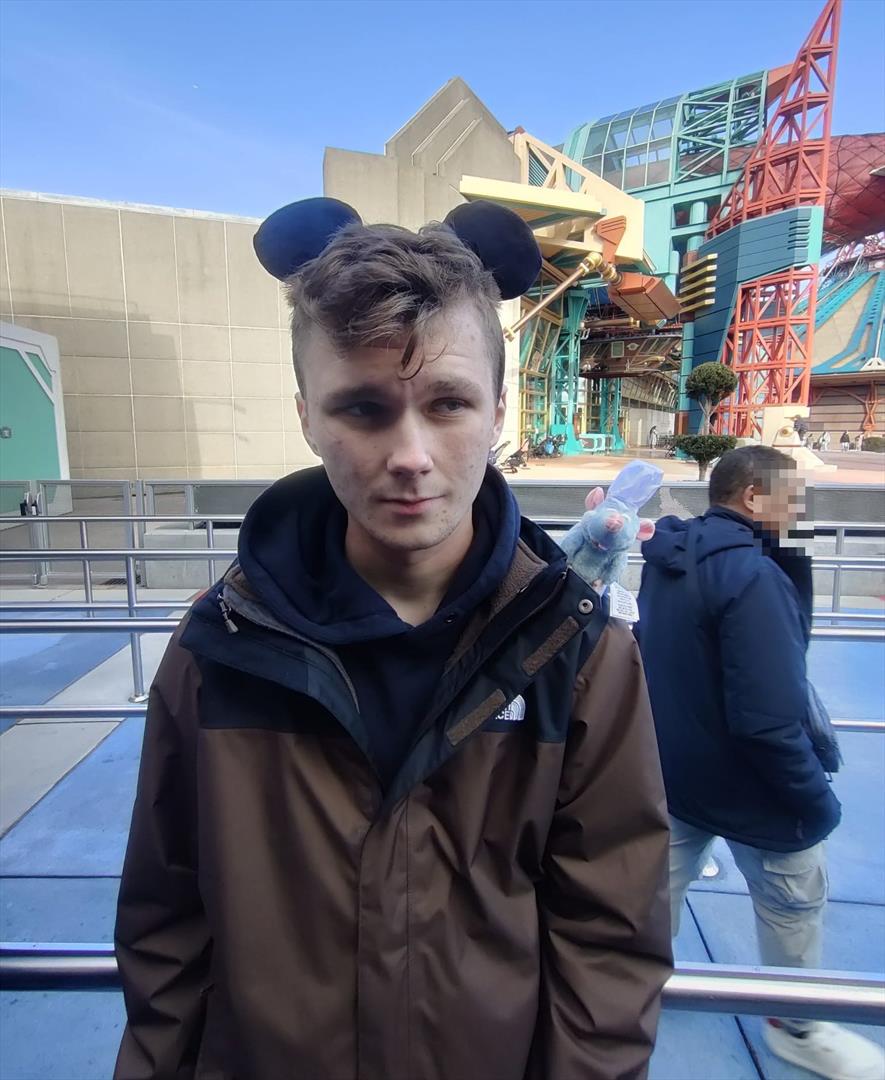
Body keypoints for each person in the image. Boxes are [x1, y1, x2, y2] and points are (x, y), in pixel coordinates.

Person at [113, 198, 672, 1080]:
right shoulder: (217, 649)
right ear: (307, 416)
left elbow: (608, 937)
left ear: (497, 412)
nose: (409, 455)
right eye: (364, 409)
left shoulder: (576, 652)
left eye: (447, 403)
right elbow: (166, 921)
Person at [636, 445, 885, 1080]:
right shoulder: (753, 577)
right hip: (759, 794)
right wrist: (812, 801)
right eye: (792, 496)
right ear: (753, 496)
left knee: (651, 897)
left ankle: (634, 991)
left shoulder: (671, 557)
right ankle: (797, 1026)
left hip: (679, 773)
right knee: (792, 904)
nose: (800, 509)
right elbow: (768, 720)